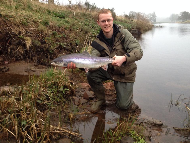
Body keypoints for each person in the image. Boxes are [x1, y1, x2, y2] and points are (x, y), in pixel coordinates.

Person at [68, 9, 143, 113]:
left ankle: (127, 98)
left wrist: (124, 58)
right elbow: (92, 62)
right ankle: (101, 100)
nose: (106, 23)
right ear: (98, 23)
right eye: (103, 21)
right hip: (109, 71)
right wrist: (77, 65)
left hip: (125, 73)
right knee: (91, 75)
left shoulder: (124, 34)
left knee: (123, 106)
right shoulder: (97, 42)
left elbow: (138, 51)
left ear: (112, 20)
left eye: (108, 20)